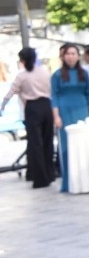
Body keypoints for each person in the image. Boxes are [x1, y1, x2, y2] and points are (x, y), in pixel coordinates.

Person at [0, 48, 54, 189]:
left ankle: (40, 179)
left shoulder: (22, 75)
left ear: (22, 60)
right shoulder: (44, 72)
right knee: (48, 141)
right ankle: (50, 174)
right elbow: (51, 89)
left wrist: (2, 106)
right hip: (46, 106)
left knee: (35, 144)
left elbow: (11, 92)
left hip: (32, 108)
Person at [52, 43, 89, 193]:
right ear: (63, 57)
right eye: (68, 54)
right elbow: (54, 97)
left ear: (78, 56)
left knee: (84, 145)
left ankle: (86, 179)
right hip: (65, 111)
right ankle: (69, 182)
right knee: (67, 147)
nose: (70, 57)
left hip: (82, 110)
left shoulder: (85, 73)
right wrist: (56, 116)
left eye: (73, 53)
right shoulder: (57, 75)